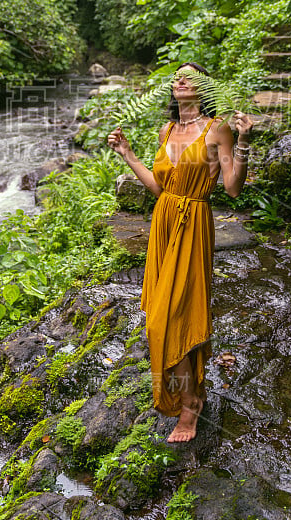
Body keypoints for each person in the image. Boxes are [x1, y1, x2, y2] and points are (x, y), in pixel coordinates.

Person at [107, 63, 252, 443]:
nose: (180, 80)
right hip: (164, 220)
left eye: (190, 76)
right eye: (176, 77)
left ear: (204, 87)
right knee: (161, 311)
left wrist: (244, 141)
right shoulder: (167, 130)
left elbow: (233, 188)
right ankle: (192, 391)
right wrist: (127, 154)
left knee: (168, 317)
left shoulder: (216, 127)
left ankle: (190, 404)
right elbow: (159, 187)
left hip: (194, 220)